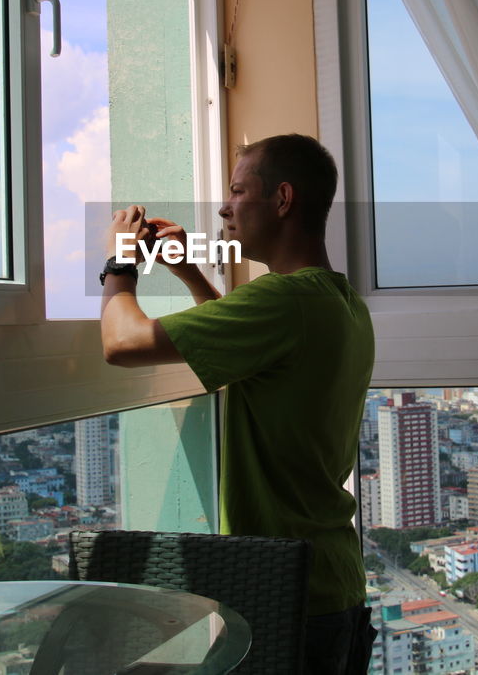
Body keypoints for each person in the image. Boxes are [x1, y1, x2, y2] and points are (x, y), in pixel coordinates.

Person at [97, 133, 376, 674]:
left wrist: (119, 262)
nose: (225, 207)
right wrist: (189, 273)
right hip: (332, 582)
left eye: (238, 190)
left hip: (290, 595)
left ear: (283, 200)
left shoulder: (283, 301)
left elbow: (121, 344)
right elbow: (247, 354)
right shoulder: (340, 302)